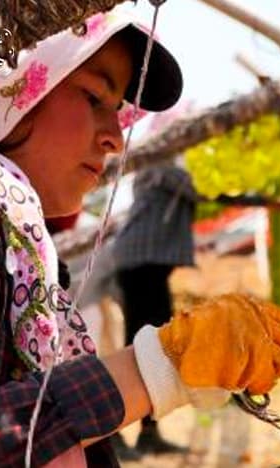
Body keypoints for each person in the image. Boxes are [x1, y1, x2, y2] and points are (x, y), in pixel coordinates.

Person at [0, 8, 280, 467]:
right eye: (95, 98)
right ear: (11, 85)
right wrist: (158, 368)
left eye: (119, 111)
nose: (115, 139)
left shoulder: (19, 246)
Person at [111, 162, 198, 457]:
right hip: (141, 266)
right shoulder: (162, 172)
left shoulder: (152, 177)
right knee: (148, 349)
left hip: (141, 265)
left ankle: (146, 432)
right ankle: (119, 433)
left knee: (150, 348)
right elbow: (192, 187)